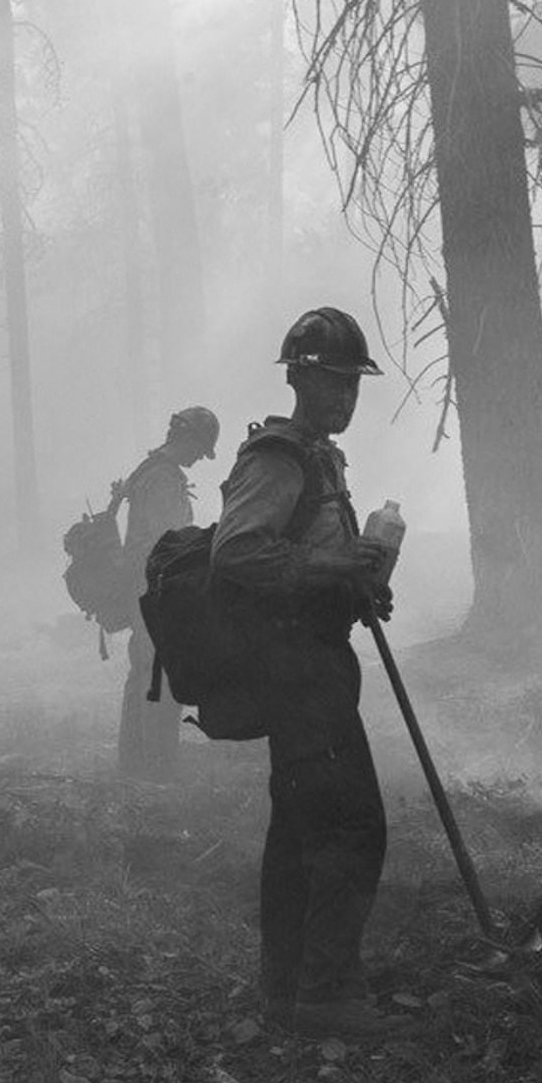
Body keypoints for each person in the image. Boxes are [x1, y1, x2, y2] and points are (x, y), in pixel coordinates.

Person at [212, 306, 401, 1040]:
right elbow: (237, 553)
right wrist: (330, 566)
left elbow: (309, 555)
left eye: (352, 383)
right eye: (330, 381)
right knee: (352, 825)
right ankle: (328, 993)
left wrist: (355, 583)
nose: (344, 396)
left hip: (319, 660)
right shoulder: (277, 457)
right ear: (297, 376)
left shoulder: (322, 456)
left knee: (299, 829)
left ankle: (287, 990)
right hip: (292, 669)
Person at [117, 405, 220, 777]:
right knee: (160, 675)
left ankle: (132, 765)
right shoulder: (162, 477)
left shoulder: (154, 470)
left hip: (146, 586)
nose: (198, 457)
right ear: (188, 438)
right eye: (200, 448)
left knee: (143, 675)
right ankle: (158, 770)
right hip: (156, 589)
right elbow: (170, 539)